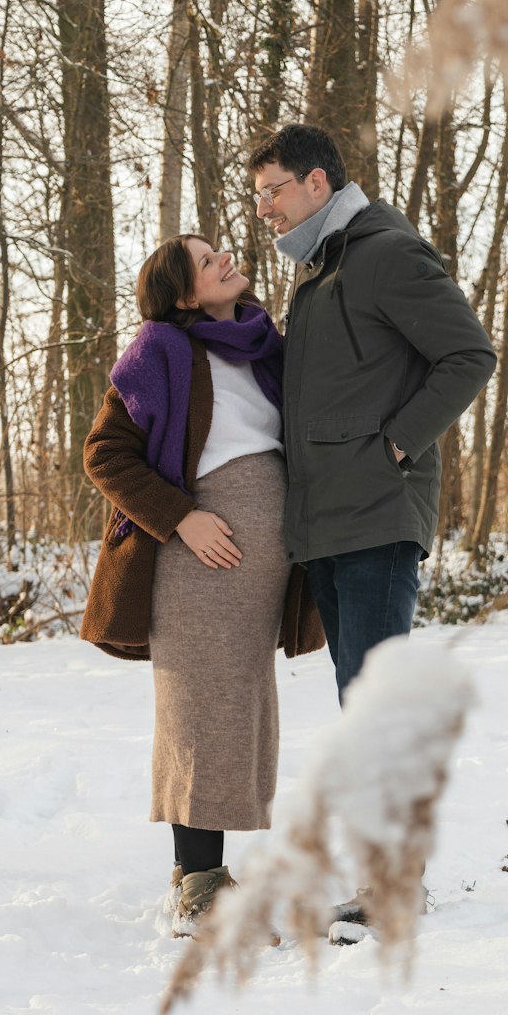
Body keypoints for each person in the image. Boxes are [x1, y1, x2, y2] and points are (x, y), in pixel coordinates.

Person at [80, 235, 323, 938]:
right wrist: (181, 517)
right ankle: (200, 893)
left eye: (219, 250)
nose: (224, 258)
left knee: (235, 710)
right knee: (199, 710)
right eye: (205, 259)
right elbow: (104, 453)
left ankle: (197, 876)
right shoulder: (159, 348)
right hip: (197, 561)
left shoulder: (259, 342)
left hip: (257, 570)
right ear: (185, 296)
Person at [249, 122, 496, 695]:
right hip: (331, 524)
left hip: (376, 517)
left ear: (316, 182)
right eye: (257, 196)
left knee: (372, 711)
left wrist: (395, 447)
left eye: (271, 191)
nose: (263, 211)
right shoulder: (320, 271)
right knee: (357, 702)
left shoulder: (385, 253)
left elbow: (469, 354)